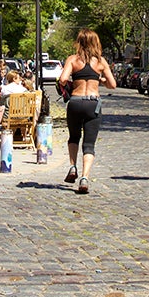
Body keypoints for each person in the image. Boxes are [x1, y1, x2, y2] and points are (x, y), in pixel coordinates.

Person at [57, 27, 117, 195]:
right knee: (89, 144)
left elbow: (62, 79)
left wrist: (73, 80)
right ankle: (84, 178)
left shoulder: (73, 60)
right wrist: (100, 79)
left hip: (75, 102)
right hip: (93, 103)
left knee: (74, 137)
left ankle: (72, 167)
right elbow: (112, 84)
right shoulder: (100, 62)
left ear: (79, 42)